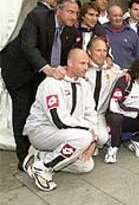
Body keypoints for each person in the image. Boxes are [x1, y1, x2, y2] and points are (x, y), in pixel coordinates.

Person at [2, 0, 79, 170]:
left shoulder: (71, 32)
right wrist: (48, 69)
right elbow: (28, 47)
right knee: (22, 114)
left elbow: (67, 56)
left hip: (41, 76)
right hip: (19, 71)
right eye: (70, 12)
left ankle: (39, 149)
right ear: (58, 9)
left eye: (76, 13)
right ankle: (23, 158)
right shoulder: (37, 17)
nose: (74, 17)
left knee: (38, 112)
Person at [22, 49, 97, 192]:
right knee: (83, 138)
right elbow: (58, 120)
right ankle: (42, 168)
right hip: (41, 131)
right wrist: (88, 131)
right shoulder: (52, 83)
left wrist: (93, 138)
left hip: (65, 133)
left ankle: (40, 156)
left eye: (88, 63)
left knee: (86, 165)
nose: (86, 67)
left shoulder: (84, 84)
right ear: (70, 63)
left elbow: (90, 113)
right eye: (82, 63)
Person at [85, 37, 124, 151]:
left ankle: (92, 145)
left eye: (104, 51)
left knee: (102, 139)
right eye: (98, 50)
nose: (102, 54)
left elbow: (129, 73)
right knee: (84, 138)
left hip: (99, 115)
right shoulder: (83, 68)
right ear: (89, 52)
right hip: (82, 114)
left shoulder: (113, 69)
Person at [103, 5, 139, 69]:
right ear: (108, 17)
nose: (118, 18)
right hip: (107, 72)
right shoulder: (102, 31)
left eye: (120, 16)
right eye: (115, 16)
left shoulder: (131, 33)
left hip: (128, 73)